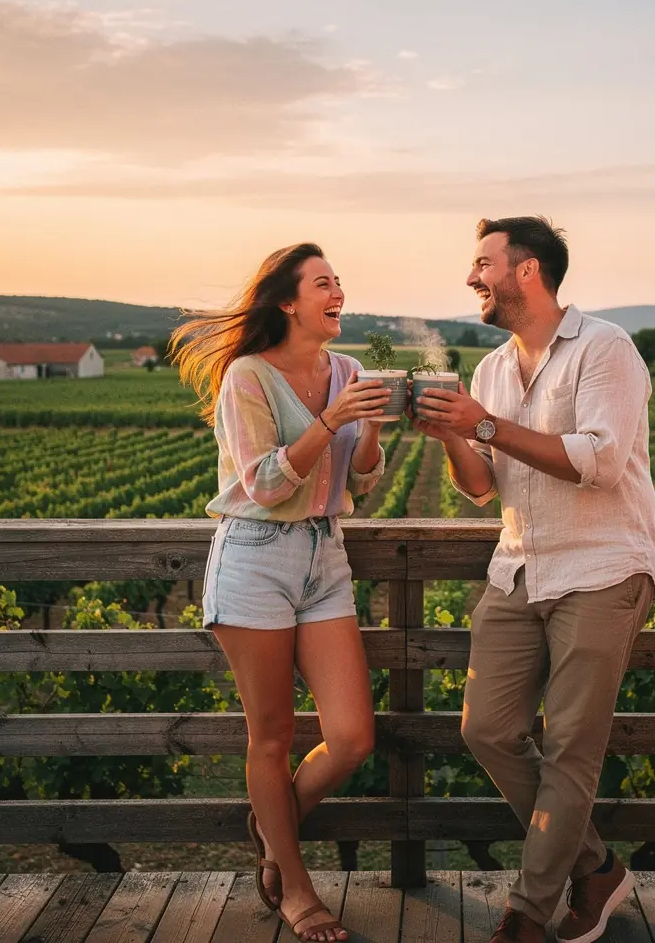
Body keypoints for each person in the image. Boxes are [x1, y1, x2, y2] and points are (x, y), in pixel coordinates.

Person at [414, 217, 655, 943]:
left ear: (527, 271)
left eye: (483, 263)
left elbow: (599, 461)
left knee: (571, 746)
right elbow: (481, 488)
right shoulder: (492, 369)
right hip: (518, 567)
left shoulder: (605, 348)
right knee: (486, 729)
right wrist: (453, 433)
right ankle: (597, 867)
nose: (471, 278)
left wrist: (484, 424)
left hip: (602, 567)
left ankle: (527, 912)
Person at [172, 243, 391, 943]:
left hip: (326, 557)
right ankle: (295, 887)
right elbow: (265, 485)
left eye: (339, 282)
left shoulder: (349, 371)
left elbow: (363, 479)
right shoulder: (248, 377)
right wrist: (330, 421)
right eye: (323, 283)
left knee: (352, 738)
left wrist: (371, 423)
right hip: (256, 557)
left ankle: (274, 834)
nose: (338, 292)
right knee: (270, 737)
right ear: (289, 302)